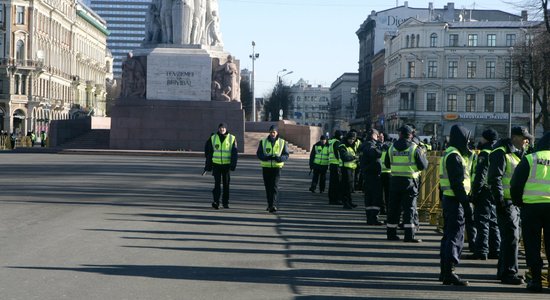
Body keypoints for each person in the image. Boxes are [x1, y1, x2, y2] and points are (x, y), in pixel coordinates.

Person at [488, 126, 533, 285]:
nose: (526, 141)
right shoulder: (501, 152)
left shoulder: (517, 153)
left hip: (514, 202)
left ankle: (504, 271)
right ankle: (509, 273)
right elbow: (495, 178)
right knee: (512, 237)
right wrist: (500, 201)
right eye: (524, 138)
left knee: (510, 237)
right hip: (506, 202)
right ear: (515, 137)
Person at [510, 131, 550, 293]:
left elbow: (516, 184)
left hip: (531, 208)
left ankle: (536, 281)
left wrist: (519, 203)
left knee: (532, 245)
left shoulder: (530, 159)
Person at [439, 125, 473, 286]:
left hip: (449, 199)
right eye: (467, 139)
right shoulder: (455, 156)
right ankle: (449, 272)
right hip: (456, 200)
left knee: (448, 236)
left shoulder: (450, 153)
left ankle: (444, 271)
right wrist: (466, 205)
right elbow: (457, 183)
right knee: (455, 237)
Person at [385, 125, 428, 242]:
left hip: (394, 181)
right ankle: (409, 236)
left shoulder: (391, 147)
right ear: (411, 135)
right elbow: (423, 166)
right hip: (409, 182)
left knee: (393, 208)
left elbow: (387, 164)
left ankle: (391, 234)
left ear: (400, 134)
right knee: (409, 209)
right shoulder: (415, 148)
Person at [467, 129, 500, 260]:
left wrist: (475, 192)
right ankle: (495, 250)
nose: (480, 140)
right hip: (493, 190)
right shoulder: (497, 152)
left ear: (486, 139)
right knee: (493, 221)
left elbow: (480, 175)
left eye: (481, 138)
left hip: (484, 191)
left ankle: (481, 251)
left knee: (482, 222)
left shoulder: (484, 154)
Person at [204, 123, 238, 209]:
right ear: (218, 129)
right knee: (217, 184)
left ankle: (225, 203)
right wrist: (208, 164)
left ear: (226, 129)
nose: (222, 129)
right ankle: (216, 202)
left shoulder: (232, 138)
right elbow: (208, 151)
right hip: (216, 165)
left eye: (223, 128)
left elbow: (234, 153)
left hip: (226, 165)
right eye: (220, 128)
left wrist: (233, 164)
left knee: (226, 185)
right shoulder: (213, 137)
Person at [257, 125, 289, 213]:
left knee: (274, 186)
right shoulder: (263, 142)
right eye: (271, 132)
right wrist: (266, 157)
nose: (272, 134)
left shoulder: (282, 142)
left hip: (277, 167)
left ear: (277, 133)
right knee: (268, 187)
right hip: (266, 167)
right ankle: (269, 204)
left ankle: (273, 205)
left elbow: (286, 155)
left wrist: (279, 158)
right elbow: (259, 154)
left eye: (274, 132)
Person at [361, 128, 384, 225]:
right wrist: (380, 144)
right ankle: (373, 218)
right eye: (377, 135)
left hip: (369, 174)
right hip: (372, 175)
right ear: (374, 135)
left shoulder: (366, 144)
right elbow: (375, 154)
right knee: (375, 197)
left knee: (370, 197)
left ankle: (370, 218)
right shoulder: (370, 144)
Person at [339, 131, 359, 209]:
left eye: (353, 139)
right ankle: (346, 203)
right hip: (345, 168)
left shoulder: (351, 145)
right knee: (346, 187)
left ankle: (349, 202)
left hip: (351, 168)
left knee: (349, 187)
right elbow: (345, 157)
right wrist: (354, 157)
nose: (351, 140)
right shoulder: (342, 146)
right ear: (347, 138)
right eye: (350, 139)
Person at [327, 130, 343, 205]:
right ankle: (335, 199)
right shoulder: (337, 142)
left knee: (332, 183)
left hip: (332, 164)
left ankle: (331, 198)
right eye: (341, 135)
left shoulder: (331, 141)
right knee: (336, 183)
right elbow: (337, 154)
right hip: (336, 165)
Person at [379, 132, 391, 214]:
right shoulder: (390, 147)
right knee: (388, 194)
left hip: (380, 172)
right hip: (389, 173)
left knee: (381, 193)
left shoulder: (378, 147)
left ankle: (382, 209)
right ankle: (387, 209)